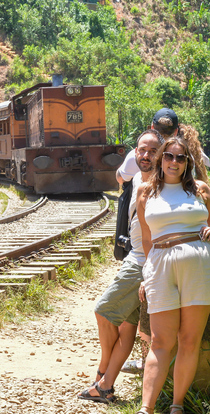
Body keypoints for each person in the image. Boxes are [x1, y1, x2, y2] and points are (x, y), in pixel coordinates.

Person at [134, 137, 210, 414]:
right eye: (169, 156)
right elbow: (147, 240)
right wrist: (146, 275)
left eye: (181, 158)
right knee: (161, 340)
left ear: (188, 163)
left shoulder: (199, 189)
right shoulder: (145, 192)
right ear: (160, 159)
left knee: (189, 339)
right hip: (161, 266)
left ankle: (176, 406)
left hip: (201, 264)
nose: (174, 162)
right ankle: (146, 408)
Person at [78, 130, 163, 404]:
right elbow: (119, 177)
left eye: (152, 151)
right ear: (134, 152)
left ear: (160, 154)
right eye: (141, 150)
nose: (146, 155)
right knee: (127, 327)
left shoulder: (163, 185)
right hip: (136, 257)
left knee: (103, 311)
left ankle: (103, 371)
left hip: (142, 262)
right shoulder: (137, 176)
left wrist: (150, 271)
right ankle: (105, 387)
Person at [117, 109, 210, 186]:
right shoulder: (184, 158)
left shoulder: (138, 155)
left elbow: (120, 178)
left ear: (152, 128)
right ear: (175, 132)